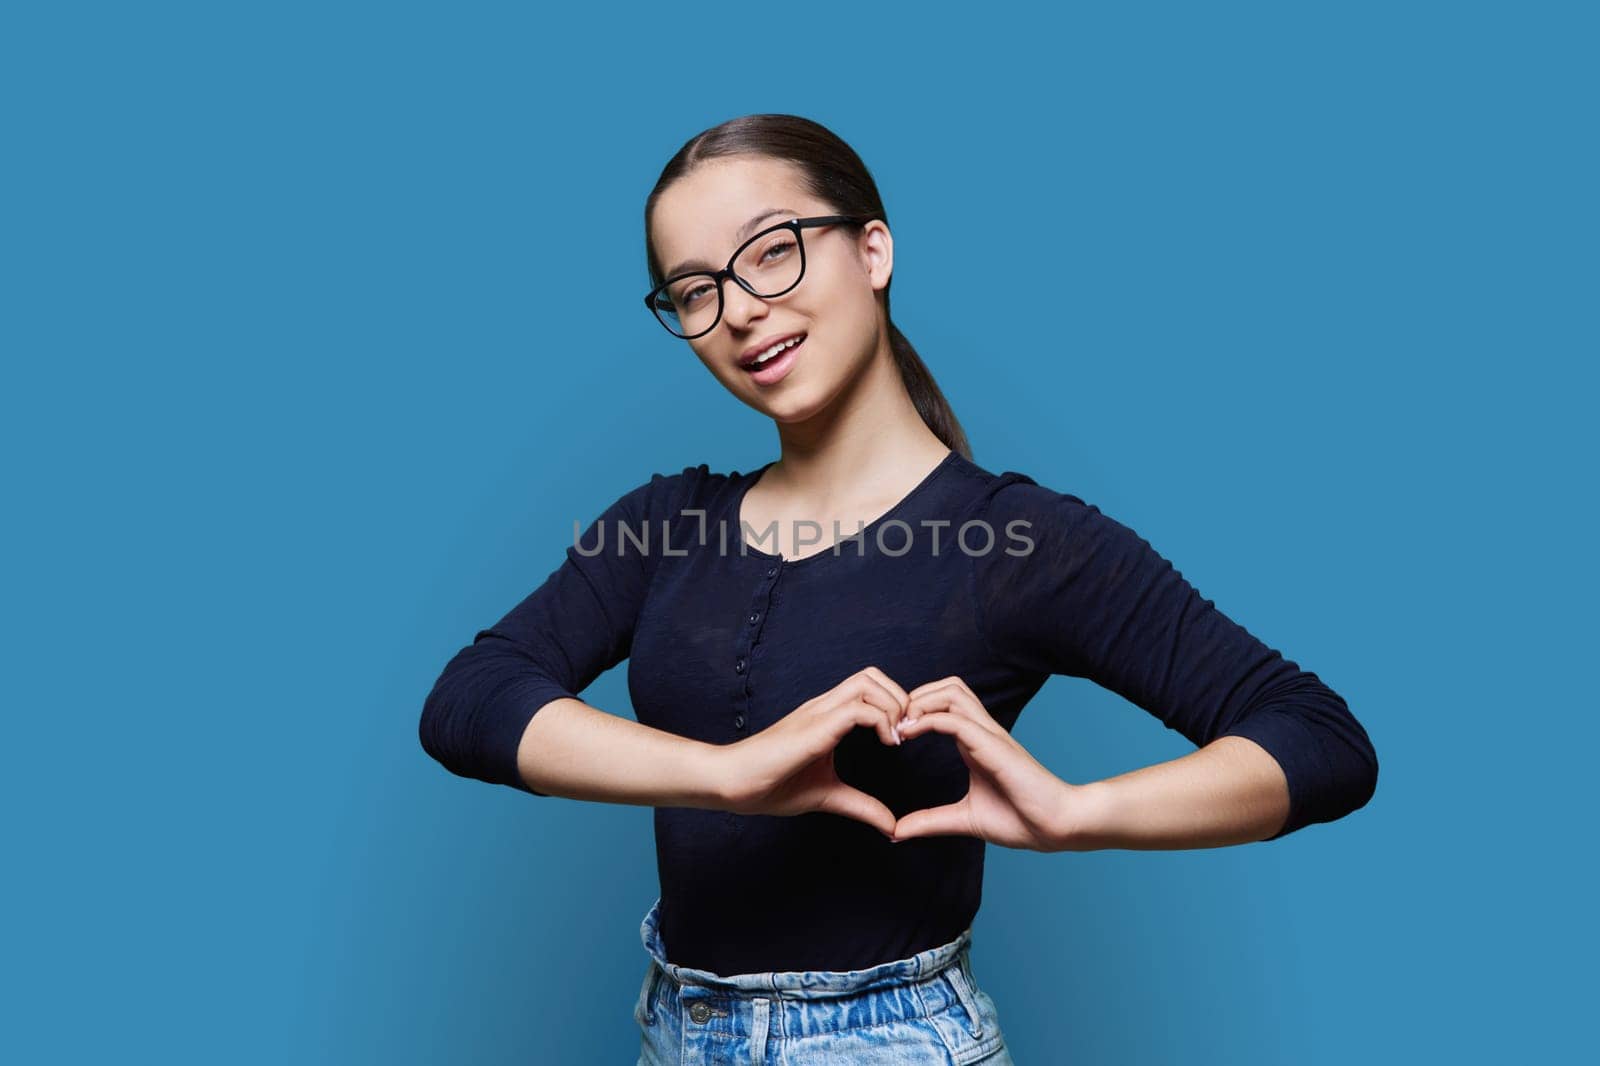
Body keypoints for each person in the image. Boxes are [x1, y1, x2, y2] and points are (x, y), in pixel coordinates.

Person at [418, 113, 1379, 1065]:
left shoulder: (1015, 540)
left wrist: (1077, 814)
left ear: (872, 249)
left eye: (771, 252)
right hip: (673, 1029)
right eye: (694, 290)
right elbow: (469, 701)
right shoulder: (664, 523)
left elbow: (1320, 740)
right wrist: (727, 774)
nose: (740, 308)